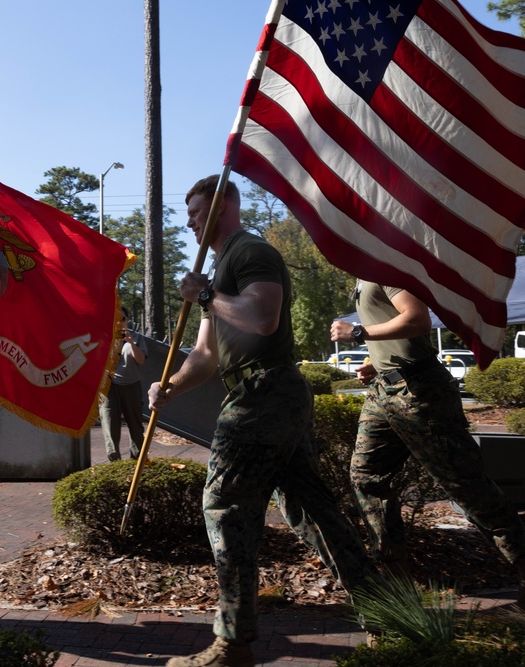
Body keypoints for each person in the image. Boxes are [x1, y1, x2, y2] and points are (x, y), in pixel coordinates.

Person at [149, 176, 379, 667]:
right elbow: (208, 355)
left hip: (265, 391)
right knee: (309, 508)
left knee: (225, 503)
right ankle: (386, 613)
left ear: (222, 206)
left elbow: (263, 318)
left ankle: (233, 642)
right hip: (269, 394)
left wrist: (208, 294)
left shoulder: (250, 252)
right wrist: (170, 387)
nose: (188, 221)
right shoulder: (221, 265)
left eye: (195, 212)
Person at [330, 280, 525, 602]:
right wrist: (376, 361)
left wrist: (358, 333)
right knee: (366, 478)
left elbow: (418, 318)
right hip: (384, 389)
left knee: (465, 485)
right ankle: (398, 584)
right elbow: (394, 326)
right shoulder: (362, 272)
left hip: (420, 390)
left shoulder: (385, 266)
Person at [100, 306, 148, 461]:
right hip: (108, 386)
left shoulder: (136, 337)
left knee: (135, 424)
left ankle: (138, 462)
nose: (119, 323)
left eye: (122, 319)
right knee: (109, 423)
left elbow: (140, 360)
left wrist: (131, 343)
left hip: (131, 384)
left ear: (127, 320)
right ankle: (114, 463)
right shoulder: (103, 338)